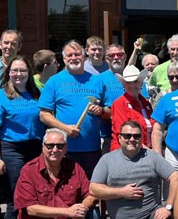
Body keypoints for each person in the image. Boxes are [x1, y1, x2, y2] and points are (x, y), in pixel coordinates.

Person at [0, 55, 44, 219]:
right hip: (12, 148)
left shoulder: (37, 94)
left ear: (29, 74)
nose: (18, 74)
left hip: (36, 146)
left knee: (38, 188)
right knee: (17, 190)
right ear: (8, 73)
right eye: (14, 70)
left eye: (22, 71)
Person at [38, 40, 104, 177]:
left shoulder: (97, 80)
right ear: (64, 59)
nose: (73, 58)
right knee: (67, 189)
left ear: (84, 55)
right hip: (64, 149)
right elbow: (44, 114)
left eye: (77, 54)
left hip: (92, 148)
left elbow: (109, 110)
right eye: (69, 55)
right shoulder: (54, 81)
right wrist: (65, 128)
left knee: (92, 189)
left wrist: (101, 111)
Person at [109, 65, 155, 150]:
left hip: (146, 151)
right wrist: (149, 152)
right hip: (126, 153)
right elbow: (122, 134)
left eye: (135, 81)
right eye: (128, 82)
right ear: (123, 84)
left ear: (141, 83)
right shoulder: (119, 104)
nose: (132, 85)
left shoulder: (146, 104)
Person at [94, 43, 128, 153]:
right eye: (111, 56)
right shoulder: (98, 79)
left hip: (135, 135)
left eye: (119, 54)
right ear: (106, 59)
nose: (116, 58)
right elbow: (96, 108)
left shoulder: (134, 76)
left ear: (125, 57)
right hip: (109, 136)